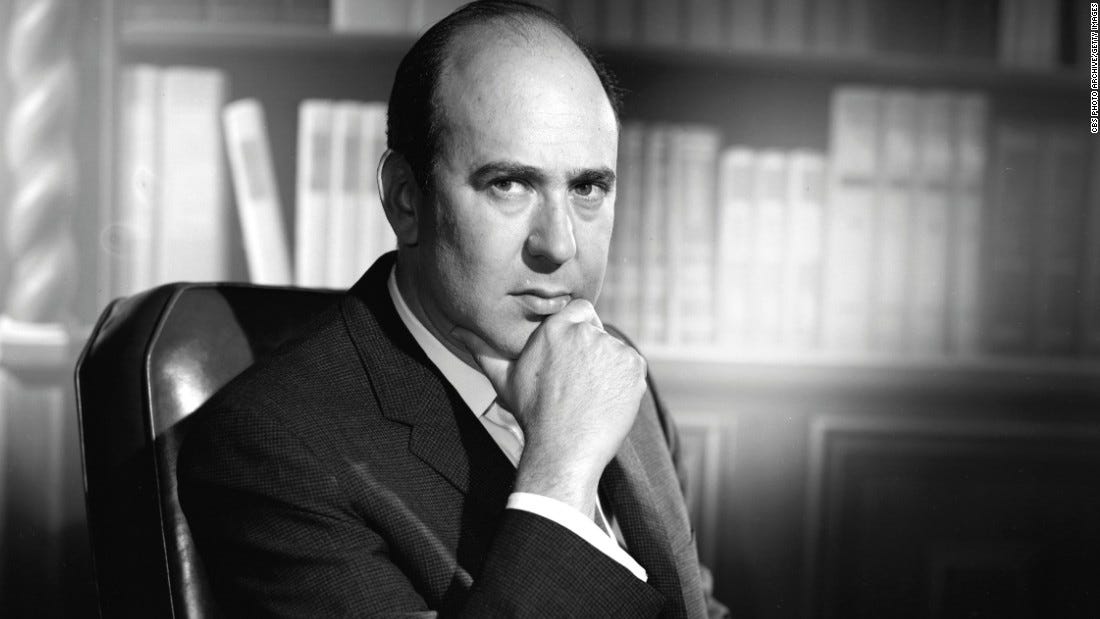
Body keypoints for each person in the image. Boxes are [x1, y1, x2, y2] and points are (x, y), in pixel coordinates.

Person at [178, 2, 728, 617]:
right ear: (405, 199)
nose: (559, 245)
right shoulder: (277, 449)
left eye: (587, 188)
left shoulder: (614, 372)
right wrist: (561, 475)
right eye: (508, 184)